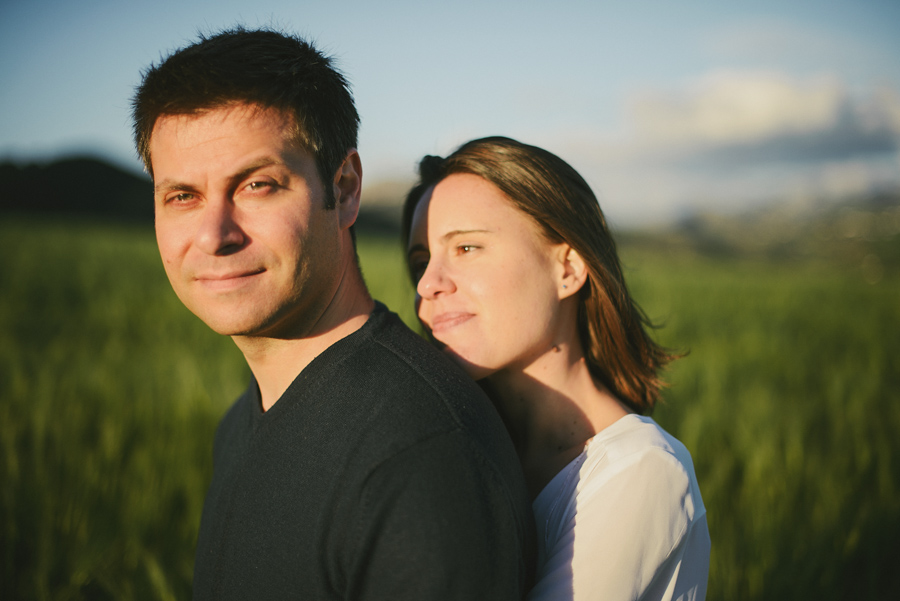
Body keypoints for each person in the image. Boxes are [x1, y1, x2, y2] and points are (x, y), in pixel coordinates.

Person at [132, 29, 534, 600]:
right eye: (182, 197)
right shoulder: (240, 425)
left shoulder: (419, 454)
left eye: (257, 185)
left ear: (344, 190)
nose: (214, 235)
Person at [403, 137, 710, 601]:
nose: (427, 284)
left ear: (567, 268)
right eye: (421, 261)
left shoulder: (639, 472)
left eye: (466, 248)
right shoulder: (451, 446)